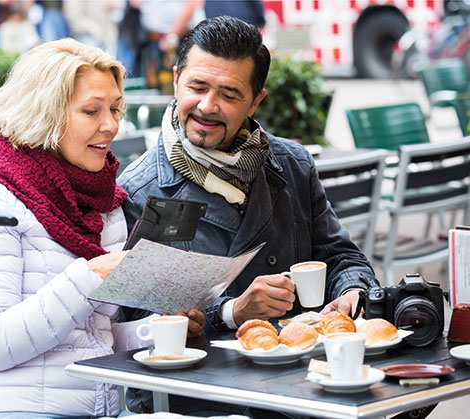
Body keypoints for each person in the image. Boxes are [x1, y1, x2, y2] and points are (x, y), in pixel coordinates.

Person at [118, 16, 379, 417]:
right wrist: (233, 311)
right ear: (175, 80)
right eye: (197, 87)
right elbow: (136, 323)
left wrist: (351, 293)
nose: (207, 106)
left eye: (229, 94)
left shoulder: (291, 165)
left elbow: (342, 257)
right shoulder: (141, 190)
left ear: (256, 100)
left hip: (300, 382)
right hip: (197, 399)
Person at [0, 38, 205, 419]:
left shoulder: (100, 203)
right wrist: (91, 274)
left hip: (98, 409)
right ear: (44, 113)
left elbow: (88, 340)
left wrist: (158, 330)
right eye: (91, 111)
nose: (111, 125)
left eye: (115, 108)